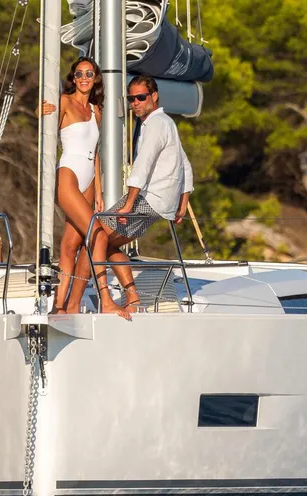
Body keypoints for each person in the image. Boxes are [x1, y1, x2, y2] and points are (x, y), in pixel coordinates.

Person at [39, 57, 130, 317]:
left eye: (89, 73)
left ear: (96, 78)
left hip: (90, 178)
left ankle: (65, 306)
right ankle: (106, 299)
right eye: (79, 73)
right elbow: (45, 120)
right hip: (69, 173)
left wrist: (99, 191)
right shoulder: (65, 102)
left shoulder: (96, 111)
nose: (84, 78)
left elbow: (96, 152)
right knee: (99, 235)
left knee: (71, 246)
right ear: (73, 77)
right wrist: (40, 110)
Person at [94, 74, 194, 311]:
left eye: (140, 97)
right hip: (162, 202)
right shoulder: (167, 123)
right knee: (107, 246)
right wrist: (182, 203)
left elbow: (143, 164)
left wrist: (128, 205)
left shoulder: (157, 124)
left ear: (154, 96)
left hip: (147, 199)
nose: (135, 103)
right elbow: (185, 164)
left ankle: (87, 294)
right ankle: (133, 298)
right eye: (131, 99)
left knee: (95, 234)